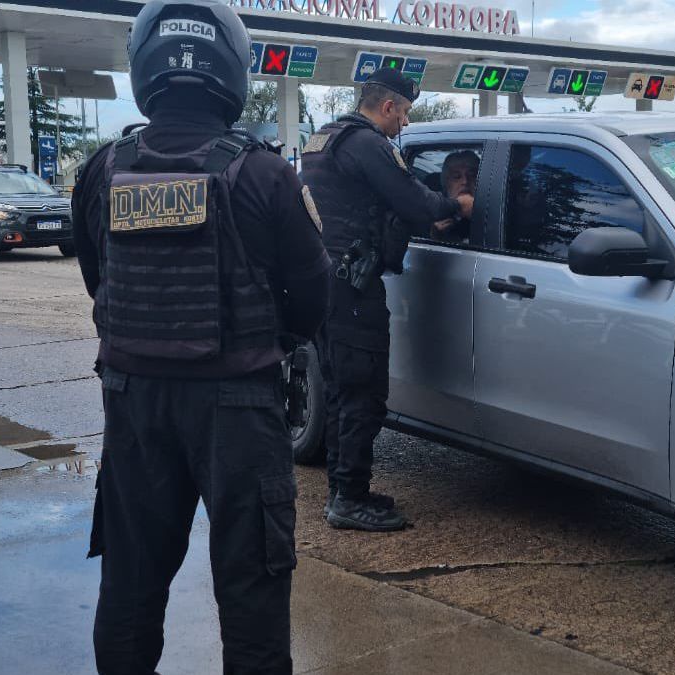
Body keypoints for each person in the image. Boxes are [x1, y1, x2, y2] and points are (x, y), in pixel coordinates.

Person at [70, 1, 330, 673]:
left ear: (144, 67)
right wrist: (271, 334)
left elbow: (98, 280)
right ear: (232, 68)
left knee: (129, 586)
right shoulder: (266, 173)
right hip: (239, 408)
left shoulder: (102, 169)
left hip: (133, 404)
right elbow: (312, 295)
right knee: (252, 595)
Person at [301, 68, 475, 532]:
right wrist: (457, 206)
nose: (405, 124)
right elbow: (417, 202)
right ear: (388, 106)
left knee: (340, 391)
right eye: (405, 113)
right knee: (363, 393)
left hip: (324, 280)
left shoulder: (324, 139)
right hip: (353, 287)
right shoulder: (368, 144)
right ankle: (349, 498)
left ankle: (343, 491)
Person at [430, 150, 480, 243]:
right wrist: (435, 236)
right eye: (457, 177)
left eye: (472, 175)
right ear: (446, 184)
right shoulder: (434, 213)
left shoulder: (494, 211)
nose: (465, 181)